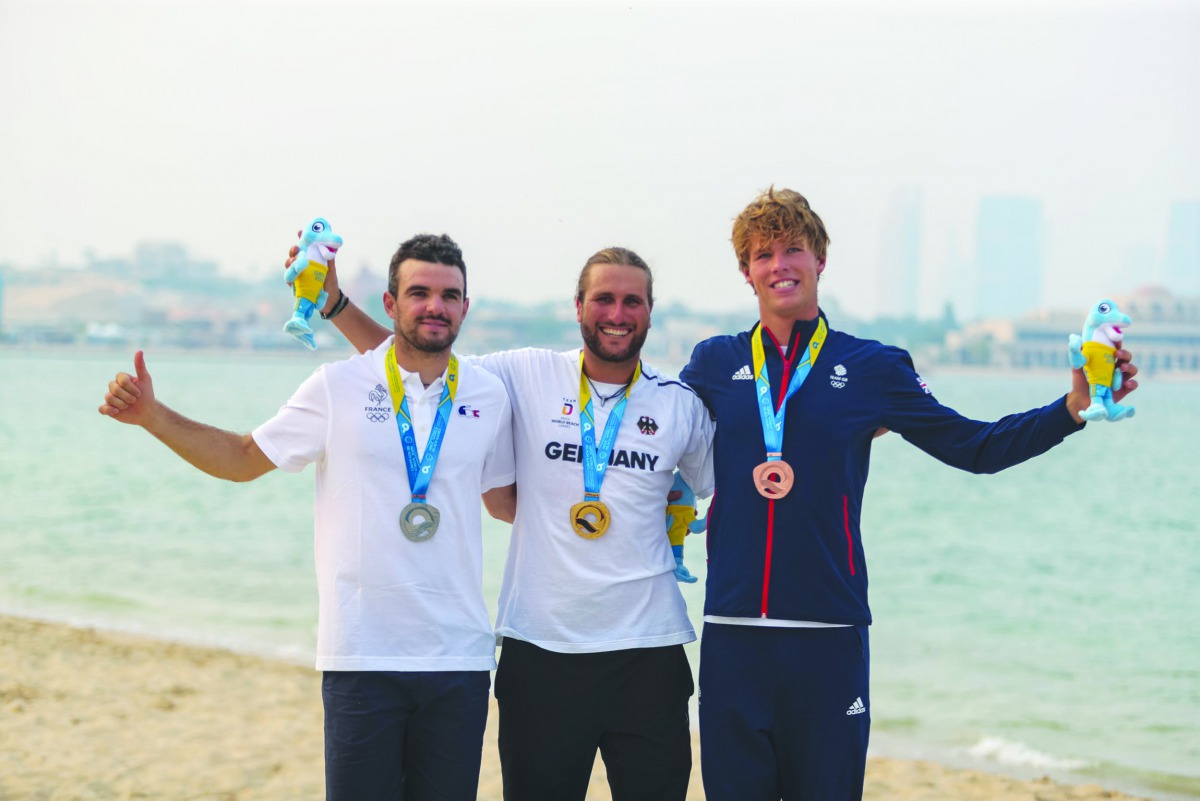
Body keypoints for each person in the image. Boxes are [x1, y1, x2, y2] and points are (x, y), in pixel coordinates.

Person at [678, 187, 1140, 801]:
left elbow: (974, 447)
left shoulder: (872, 367)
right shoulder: (712, 364)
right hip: (732, 635)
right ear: (746, 272)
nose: (779, 264)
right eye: (763, 254)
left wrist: (1071, 410)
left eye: (794, 249)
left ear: (821, 260)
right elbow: (654, 453)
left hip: (829, 637)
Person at [100, 233, 516, 801]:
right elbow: (245, 458)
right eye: (419, 293)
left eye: (449, 295)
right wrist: (153, 416)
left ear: (466, 308)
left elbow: (508, 501)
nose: (435, 306)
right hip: (361, 655)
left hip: (459, 660)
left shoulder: (489, 395)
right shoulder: (336, 386)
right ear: (391, 304)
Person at [311, 245, 715, 801]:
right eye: (603, 298)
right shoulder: (523, 375)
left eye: (632, 301)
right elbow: (416, 356)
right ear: (578, 307)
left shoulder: (680, 405)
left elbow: (726, 490)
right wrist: (334, 305)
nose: (617, 313)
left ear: (649, 311)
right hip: (539, 651)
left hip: (649, 651)